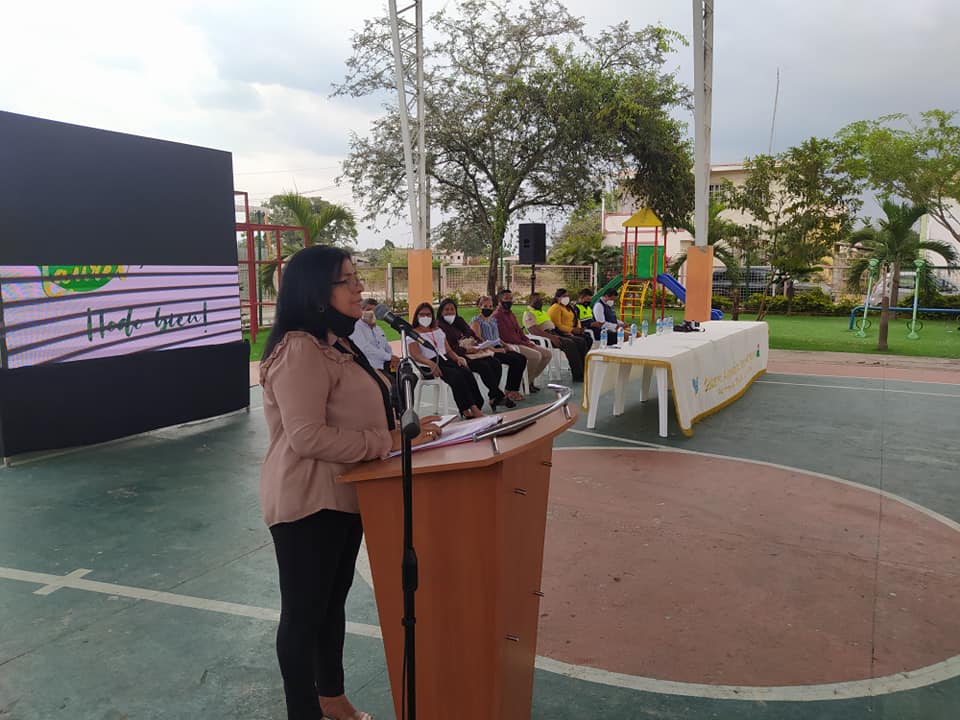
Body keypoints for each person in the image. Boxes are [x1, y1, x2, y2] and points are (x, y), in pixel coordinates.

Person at [259, 245, 442, 720]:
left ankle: (332, 698)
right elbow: (305, 436)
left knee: (330, 604)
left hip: (345, 494)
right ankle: (304, 712)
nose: (360, 288)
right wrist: (385, 441)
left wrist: (406, 433)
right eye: (348, 280)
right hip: (307, 500)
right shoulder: (300, 349)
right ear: (317, 292)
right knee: (303, 614)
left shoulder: (338, 344)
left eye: (357, 278)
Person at [406, 302, 486, 419]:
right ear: (416, 316)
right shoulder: (413, 334)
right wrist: (430, 363)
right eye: (422, 315)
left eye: (428, 314)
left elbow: (448, 350)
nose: (425, 317)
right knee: (456, 376)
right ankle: (472, 409)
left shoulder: (438, 330)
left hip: (445, 359)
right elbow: (416, 355)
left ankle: (475, 406)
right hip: (428, 363)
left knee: (466, 371)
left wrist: (457, 358)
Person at [436, 297, 516, 410]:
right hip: (459, 356)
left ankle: (494, 396)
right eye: (446, 309)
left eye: (452, 309)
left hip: (473, 352)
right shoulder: (439, 326)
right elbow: (448, 347)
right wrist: (466, 350)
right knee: (484, 366)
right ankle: (498, 396)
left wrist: (479, 344)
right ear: (441, 311)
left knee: (495, 363)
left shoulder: (459, 320)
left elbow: (471, 333)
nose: (450, 312)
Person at [491, 288, 551, 392]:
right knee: (536, 356)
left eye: (511, 298)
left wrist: (527, 341)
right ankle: (525, 383)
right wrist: (525, 343)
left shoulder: (511, 314)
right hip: (511, 345)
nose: (509, 301)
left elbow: (519, 331)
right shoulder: (497, 316)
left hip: (520, 342)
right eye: (506, 298)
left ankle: (530, 380)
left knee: (547, 354)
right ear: (500, 301)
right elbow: (507, 337)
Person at [469, 295, 528, 402]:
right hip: (487, 350)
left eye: (490, 306)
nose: (488, 308)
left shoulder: (493, 320)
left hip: (497, 346)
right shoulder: (476, 321)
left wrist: (506, 345)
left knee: (521, 358)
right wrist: (495, 350)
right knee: (513, 360)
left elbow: (497, 337)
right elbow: (478, 339)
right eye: (485, 306)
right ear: (479, 306)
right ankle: (498, 395)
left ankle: (511, 389)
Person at [523, 291, 587, 382]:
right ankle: (577, 375)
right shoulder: (529, 313)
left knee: (580, 341)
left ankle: (583, 370)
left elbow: (552, 326)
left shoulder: (542, 312)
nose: (540, 302)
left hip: (554, 333)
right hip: (544, 338)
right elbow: (535, 331)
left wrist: (564, 333)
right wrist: (552, 337)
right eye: (536, 300)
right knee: (569, 344)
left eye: (540, 300)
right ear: (530, 302)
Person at [350, 298, 400, 374]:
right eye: (368, 309)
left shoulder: (378, 329)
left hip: (385, 366)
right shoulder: (356, 327)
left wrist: (393, 359)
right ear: (361, 310)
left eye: (374, 311)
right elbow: (365, 348)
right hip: (369, 368)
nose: (371, 312)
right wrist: (389, 357)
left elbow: (387, 347)